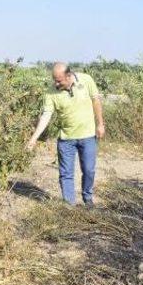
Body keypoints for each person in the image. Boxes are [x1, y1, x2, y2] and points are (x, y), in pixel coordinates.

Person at [27, 62, 105, 206]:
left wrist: (100, 124)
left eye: (59, 80)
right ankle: (70, 206)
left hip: (87, 136)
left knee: (89, 170)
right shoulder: (51, 92)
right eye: (54, 80)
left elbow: (96, 100)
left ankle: (88, 199)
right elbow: (46, 116)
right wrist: (33, 139)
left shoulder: (86, 80)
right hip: (66, 139)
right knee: (66, 174)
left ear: (68, 76)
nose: (56, 84)